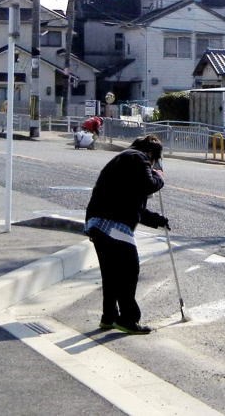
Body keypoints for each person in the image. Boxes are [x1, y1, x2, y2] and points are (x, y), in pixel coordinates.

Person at [84, 135, 169, 334]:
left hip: (98, 222)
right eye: (155, 161)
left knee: (111, 273)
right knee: (129, 271)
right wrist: (159, 177)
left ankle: (109, 317)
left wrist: (157, 220)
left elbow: (132, 204)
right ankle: (128, 319)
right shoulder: (138, 159)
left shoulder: (125, 159)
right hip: (113, 224)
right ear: (152, 154)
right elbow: (149, 185)